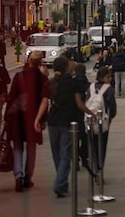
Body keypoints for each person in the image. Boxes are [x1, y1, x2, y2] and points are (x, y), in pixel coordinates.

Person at [34, 56, 91, 198]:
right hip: (68, 120)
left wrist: (37, 119)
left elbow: (44, 102)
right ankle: (59, 184)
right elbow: (79, 104)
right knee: (66, 154)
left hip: (53, 120)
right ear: (67, 68)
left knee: (57, 154)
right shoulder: (74, 83)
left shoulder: (50, 83)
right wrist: (91, 113)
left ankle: (62, 182)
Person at [5, 51, 48, 192]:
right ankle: (28, 178)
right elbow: (45, 100)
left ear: (28, 61)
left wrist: (7, 118)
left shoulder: (19, 76)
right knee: (31, 149)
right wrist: (42, 120)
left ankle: (18, 175)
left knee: (17, 148)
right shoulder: (42, 78)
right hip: (33, 119)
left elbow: (11, 99)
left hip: (18, 118)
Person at [86, 66, 118, 172]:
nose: (110, 79)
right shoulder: (109, 89)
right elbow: (112, 107)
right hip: (103, 120)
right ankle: (99, 168)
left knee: (93, 145)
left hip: (90, 120)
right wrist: (110, 118)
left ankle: (94, 165)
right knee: (102, 145)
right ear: (102, 77)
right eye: (108, 77)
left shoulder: (90, 87)